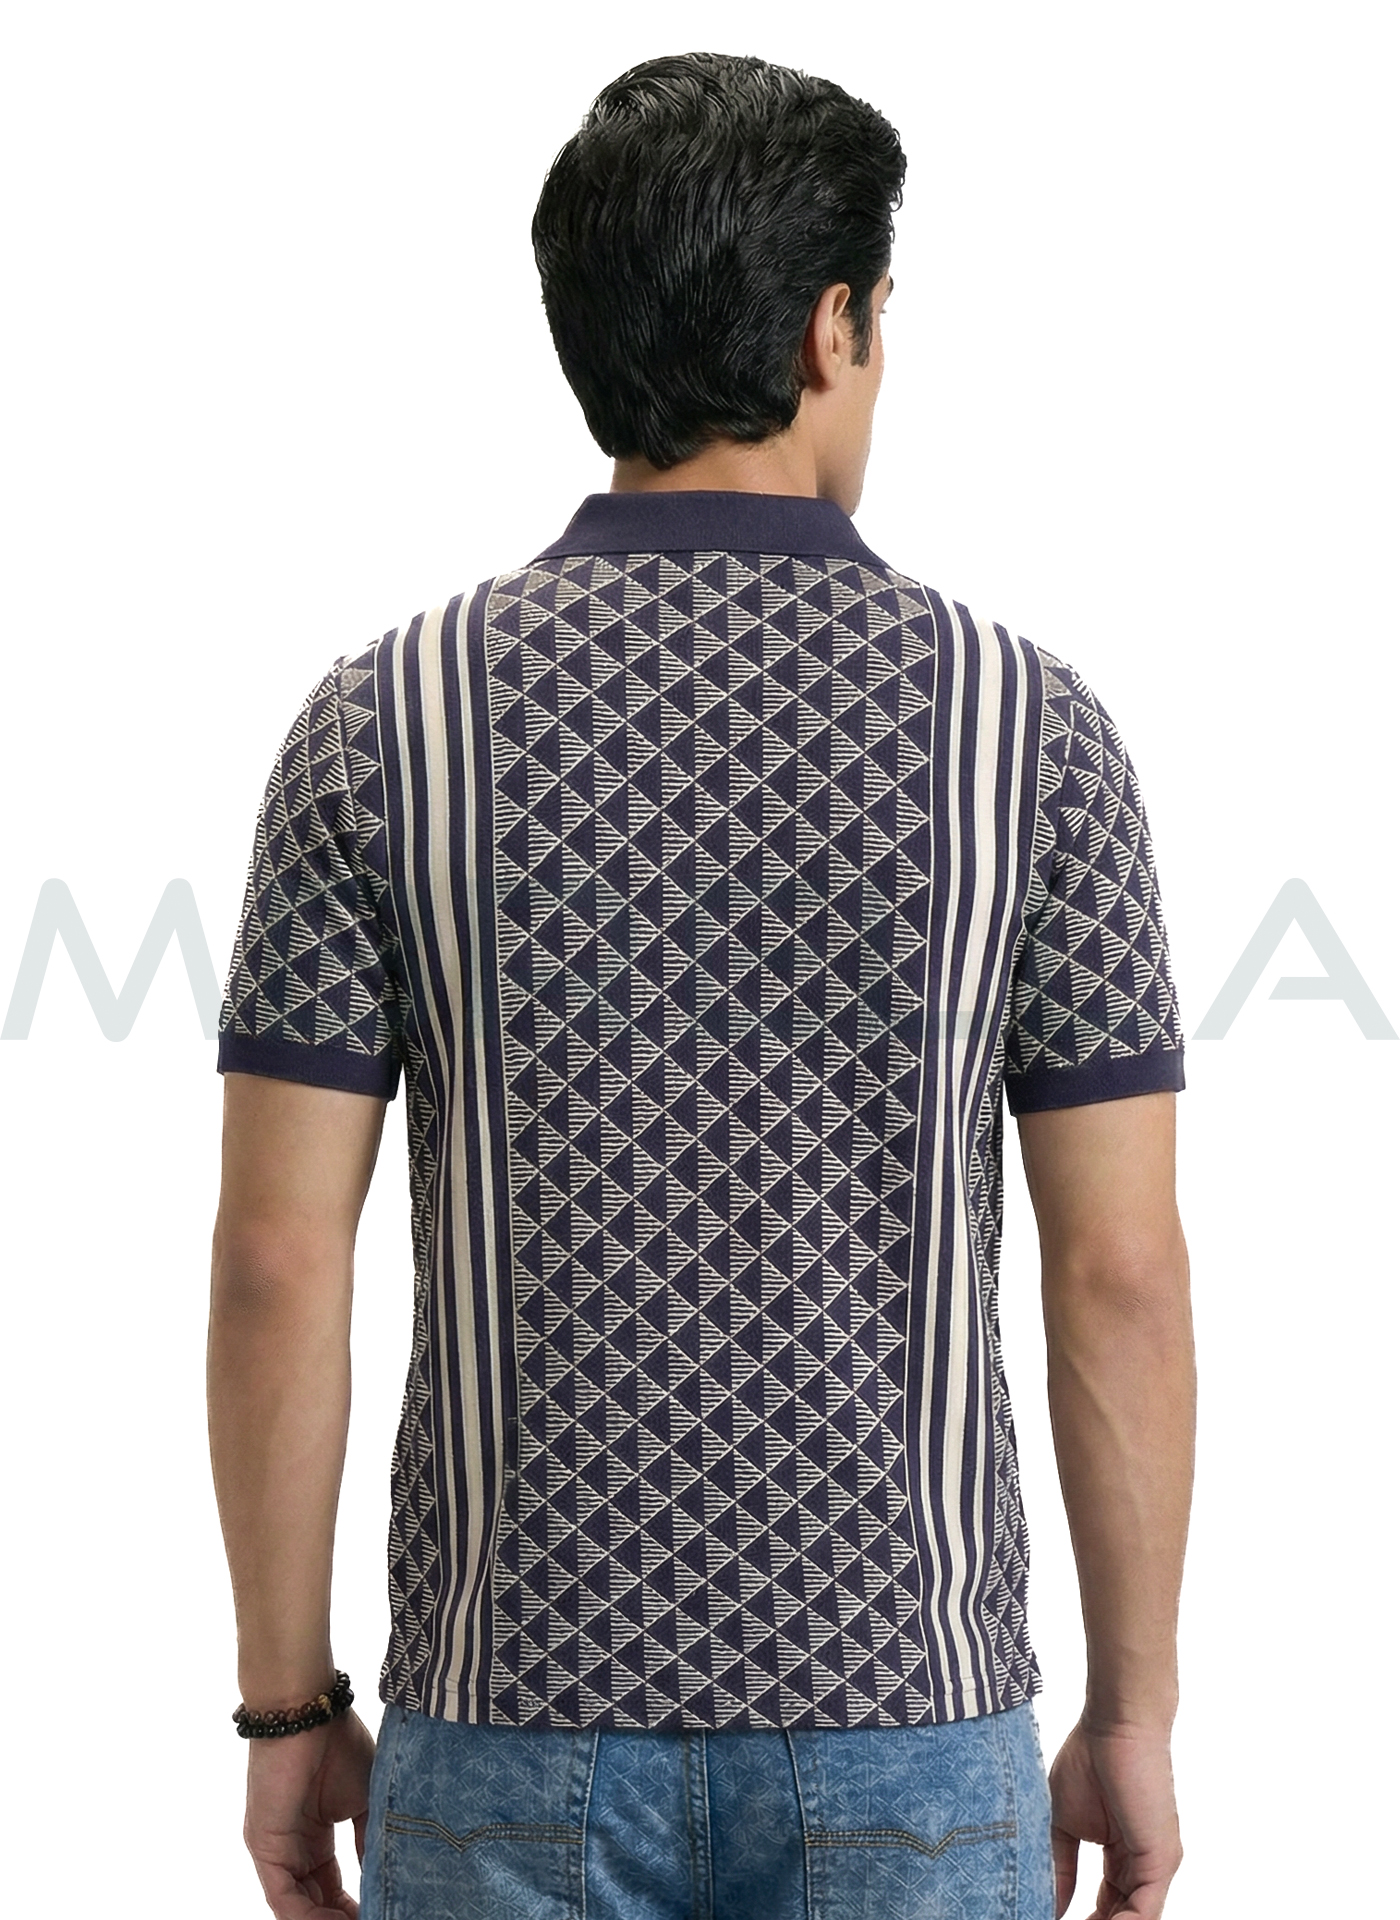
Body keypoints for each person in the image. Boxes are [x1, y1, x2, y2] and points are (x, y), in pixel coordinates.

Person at [207, 49, 1195, 1920]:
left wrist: (286, 1706)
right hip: (911, 1722)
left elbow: (276, 1258)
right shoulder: (1025, 737)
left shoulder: (386, 725)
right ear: (835, 327)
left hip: (505, 1733)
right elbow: (1120, 1270)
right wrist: (1133, 1713)